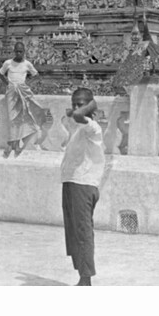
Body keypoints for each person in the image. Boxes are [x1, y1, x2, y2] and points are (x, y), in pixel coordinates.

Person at [61, 87, 105, 286]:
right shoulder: (78, 129)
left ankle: (86, 280)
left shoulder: (93, 128)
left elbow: (79, 116)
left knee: (82, 231)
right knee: (73, 233)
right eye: (74, 103)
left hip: (83, 185)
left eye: (82, 103)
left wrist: (85, 108)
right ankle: (82, 276)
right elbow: (75, 115)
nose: (77, 108)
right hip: (71, 182)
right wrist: (77, 110)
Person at [0, 41, 44, 158]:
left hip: (22, 92)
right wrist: (7, 84)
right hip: (11, 93)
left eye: (21, 51)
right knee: (12, 118)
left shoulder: (27, 64)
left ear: (24, 52)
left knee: (21, 118)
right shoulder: (8, 63)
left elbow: (36, 75)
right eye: (17, 51)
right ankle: (12, 144)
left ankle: (15, 144)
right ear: (14, 51)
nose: (19, 53)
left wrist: (26, 84)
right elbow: (0, 73)